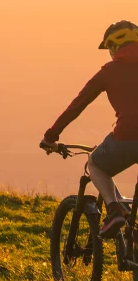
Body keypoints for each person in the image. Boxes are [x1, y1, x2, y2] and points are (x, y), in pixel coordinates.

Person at [42, 20, 138, 239]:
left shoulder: (109, 72)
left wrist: (51, 136)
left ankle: (114, 210)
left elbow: (78, 104)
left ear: (114, 46)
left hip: (126, 136)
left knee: (95, 162)